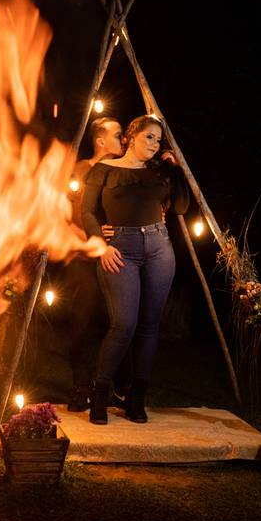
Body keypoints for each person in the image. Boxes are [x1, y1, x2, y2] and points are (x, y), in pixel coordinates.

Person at [81, 114, 189, 424]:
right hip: (121, 250)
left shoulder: (159, 173)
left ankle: (136, 399)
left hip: (159, 248)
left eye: (158, 139)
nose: (155, 144)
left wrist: (175, 168)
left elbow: (180, 207)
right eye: (149, 137)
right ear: (131, 137)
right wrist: (101, 245)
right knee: (124, 324)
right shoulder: (103, 170)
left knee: (150, 326)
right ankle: (99, 395)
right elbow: (87, 212)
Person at [63, 117, 124, 412]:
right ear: (100, 140)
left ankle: (106, 385)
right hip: (84, 258)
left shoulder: (120, 170)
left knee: (114, 322)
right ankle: (81, 386)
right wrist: (93, 240)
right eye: (117, 134)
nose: (123, 139)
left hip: (115, 257)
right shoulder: (80, 171)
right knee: (82, 321)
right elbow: (65, 217)